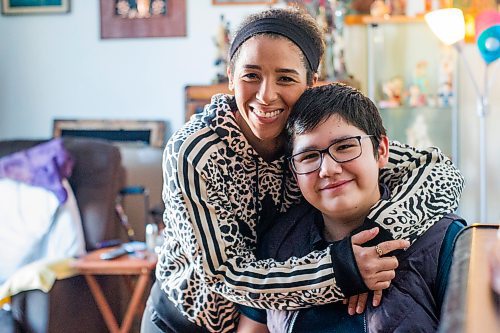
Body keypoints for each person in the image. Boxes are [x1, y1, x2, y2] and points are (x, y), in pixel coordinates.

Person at [141, 7, 464, 333]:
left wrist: (376, 241)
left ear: (311, 82)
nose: (266, 96)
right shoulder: (196, 152)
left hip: (263, 318)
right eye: (251, 75)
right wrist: (343, 272)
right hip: (186, 321)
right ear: (230, 76)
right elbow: (225, 275)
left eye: (285, 77)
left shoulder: (308, 140)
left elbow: (439, 174)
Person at [238, 83, 466, 332]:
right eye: (309, 156)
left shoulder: (445, 241)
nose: (328, 170)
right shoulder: (279, 243)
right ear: (294, 172)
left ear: (381, 151)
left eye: (345, 147)